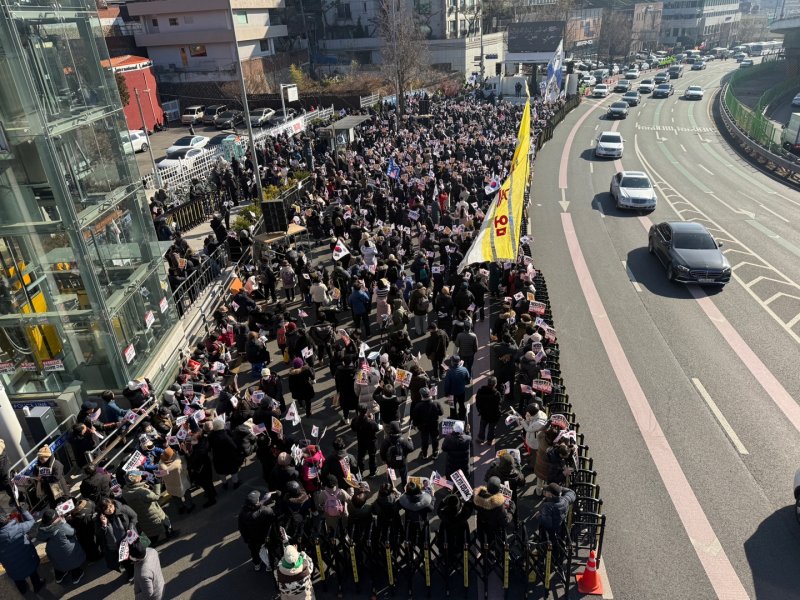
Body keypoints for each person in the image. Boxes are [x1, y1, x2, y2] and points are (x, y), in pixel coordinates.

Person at [0, 506, 44, 594]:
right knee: (32, 572)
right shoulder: (18, 528)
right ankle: (37, 586)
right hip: (28, 559)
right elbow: (31, 521)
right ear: (6, 519)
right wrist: (23, 510)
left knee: (18, 578)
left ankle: (23, 590)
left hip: (12, 567)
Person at [122, 472, 175, 544]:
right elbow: (156, 496)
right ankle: (170, 535)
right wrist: (157, 484)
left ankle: (152, 542)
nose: (141, 475)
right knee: (164, 523)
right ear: (136, 480)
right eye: (139, 475)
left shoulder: (125, 491)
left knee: (150, 530)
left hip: (141, 515)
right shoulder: (141, 492)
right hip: (152, 512)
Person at [36, 508, 85, 585]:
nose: (59, 517)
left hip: (53, 552)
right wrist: (64, 522)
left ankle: (59, 577)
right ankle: (76, 576)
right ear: (53, 521)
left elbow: (41, 537)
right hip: (68, 552)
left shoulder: (41, 529)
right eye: (57, 517)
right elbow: (72, 532)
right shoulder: (60, 527)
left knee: (58, 563)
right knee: (72, 560)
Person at [95, 497, 138, 579]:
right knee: (125, 560)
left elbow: (134, 516)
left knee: (136, 553)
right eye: (106, 509)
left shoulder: (123, 508)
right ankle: (131, 572)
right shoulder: (99, 519)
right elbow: (98, 533)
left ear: (113, 504)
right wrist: (104, 525)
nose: (110, 510)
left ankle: (142, 567)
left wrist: (131, 527)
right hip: (116, 544)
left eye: (111, 506)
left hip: (129, 537)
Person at [238, 490, 276, 571]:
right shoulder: (266, 511)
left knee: (254, 552)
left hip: (252, 539)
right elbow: (273, 519)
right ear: (256, 502)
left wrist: (246, 539)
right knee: (267, 551)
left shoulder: (242, 514)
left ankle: (257, 564)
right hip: (265, 536)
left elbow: (241, 528)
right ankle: (269, 565)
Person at [472, 476, 514, 548]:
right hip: (495, 534)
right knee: (498, 551)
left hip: (482, 531)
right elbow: (505, 522)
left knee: (484, 549)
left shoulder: (478, 497)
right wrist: (511, 510)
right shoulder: (498, 506)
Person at [158, 447, 195, 514]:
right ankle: (190, 506)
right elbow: (185, 468)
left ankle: (181, 507)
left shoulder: (160, 464)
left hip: (170, 485)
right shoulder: (177, 464)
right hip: (181, 483)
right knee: (186, 494)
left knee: (175, 497)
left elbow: (160, 474)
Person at [209, 418, 243, 489]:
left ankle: (225, 484)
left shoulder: (211, 435)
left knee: (221, 472)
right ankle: (235, 483)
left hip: (218, 458)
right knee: (233, 471)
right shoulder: (225, 436)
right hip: (229, 458)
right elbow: (234, 446)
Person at [410, 387, 443, 459]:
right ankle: (435, 453)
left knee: (424, 440)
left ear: (421, 395)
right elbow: (441, 413)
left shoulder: (418, 406)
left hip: (423, 426)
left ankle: (424, 454)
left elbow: (415, 419)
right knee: (435, 438)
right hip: (434, 425)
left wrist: (415, 425)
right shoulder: (436, 403)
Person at [380, 421, 413, 487]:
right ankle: (404, 486)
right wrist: (410, 440)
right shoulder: (403, 440)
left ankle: (391, 486)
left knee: (390, 475)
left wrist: (385, 460)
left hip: (390, 463)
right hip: (402, 462)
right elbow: (411, 448)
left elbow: (382, 452)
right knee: (403, 475)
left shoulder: (386, 441)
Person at [350, 406, 379, 476]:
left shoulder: (355, 419)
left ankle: (360, 471)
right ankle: (373, 472)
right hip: (371, 442)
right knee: (372, 456)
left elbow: (353, 428)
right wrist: (372, 419)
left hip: (361, 440)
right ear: (366, 411)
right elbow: (376, 428)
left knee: (360, 456)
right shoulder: (370, 421)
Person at [519, 402, 548, 472]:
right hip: (535, 438)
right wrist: (527, 418)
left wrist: (522, 421)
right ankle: (532, 460)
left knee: (535, 454)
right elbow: (529, 420)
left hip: (536, 441)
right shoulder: (540, 413)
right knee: (533, 453)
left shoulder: (539, 423)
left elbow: (528, 429)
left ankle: (533, 466)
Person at [442, 355, 471, 420]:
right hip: (461, 391)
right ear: (459, 362)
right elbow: (468, 380)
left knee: (452, 406)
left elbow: (447, 384)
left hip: (451, 393)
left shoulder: (449, 372)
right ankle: (462, 415)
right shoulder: (464, 369)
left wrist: (446, 393)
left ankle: (453, 417)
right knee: (461, 404)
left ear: (452, 362)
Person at [475, 377, 502, 445]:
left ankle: (480, 438)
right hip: (494, 414)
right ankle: (489, 441)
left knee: (482, 426)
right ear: (495, 384)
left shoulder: (480, 391)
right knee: (491, 428)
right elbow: (500, 402)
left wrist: (479, 410)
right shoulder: (497, 394)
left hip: (484, 413)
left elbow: (477, 402)